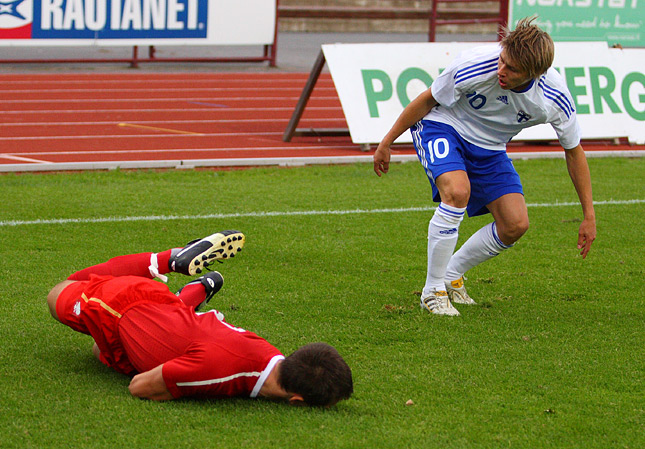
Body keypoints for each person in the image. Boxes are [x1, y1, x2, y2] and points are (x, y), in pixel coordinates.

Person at [373, 17, 596, 316]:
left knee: (515, 225)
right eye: (503, 60)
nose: (501, 70)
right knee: (457, 192)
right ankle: (432, 290)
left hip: (490, 148)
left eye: (512, 69)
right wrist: (387, 142)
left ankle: (452, 273)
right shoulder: (476, 65)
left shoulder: (554, 98)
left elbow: (574, 152)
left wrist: (588, 215)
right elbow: (427, 99)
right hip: (443, 125)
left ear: (536, 74)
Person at [47, 230, 353, 406]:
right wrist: (184, 383)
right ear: (296, 401)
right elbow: (140, 387)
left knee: (100, 351)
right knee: (60, 291)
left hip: (163, 314)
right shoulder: (220, 371)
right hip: (125, 306)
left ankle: (190, 296)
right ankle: (167, 259)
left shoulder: (269, 354)